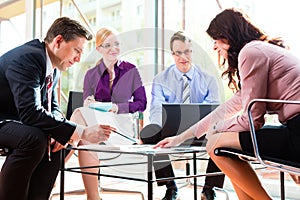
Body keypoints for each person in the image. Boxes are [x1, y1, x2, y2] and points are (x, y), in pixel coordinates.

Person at [155, 8, 300, 200]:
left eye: (216, 40)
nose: (214, 47)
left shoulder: (250, 52)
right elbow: (229, 108)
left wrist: (216, 129)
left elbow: (253, 121)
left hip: (297, 134)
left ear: (228, 35)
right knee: (223, 146)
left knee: (216, 143)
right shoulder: (259, 49)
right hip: (294, 129)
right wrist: (181, 137)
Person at [0, 17, 116, 200]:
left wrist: (64, 133)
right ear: (58, 41)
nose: (78, 59)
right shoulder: (28, 58)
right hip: (3, 120)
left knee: (59, 140)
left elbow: (53, 107)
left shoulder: (52, 68)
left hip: (17, 123)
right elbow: (30, 112)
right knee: (35, 138)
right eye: (76, 50)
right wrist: (82, 131)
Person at [140, 31, 223, 200]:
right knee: (149, 132)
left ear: (192, 52)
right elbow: (156, 110)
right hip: (170, 133)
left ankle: (209, 188)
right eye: (178, 52)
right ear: (172, 54)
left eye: (187, 51)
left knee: (223, 135)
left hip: (202, 133)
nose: (183, 57)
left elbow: (215, 113)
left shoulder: (208, 79)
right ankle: (170, 187)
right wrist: (159, 127)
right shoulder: (161, 79)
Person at [70, 27, 147, 200]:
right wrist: (91, 104)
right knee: (85, 134)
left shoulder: (131, 71)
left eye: (117, 44)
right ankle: (93, 196)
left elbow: (142, 104)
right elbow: (87, 103)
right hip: (97, 126)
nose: (114, 48)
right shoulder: (91, 74)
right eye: (107, 45)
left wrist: (115, 107)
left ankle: (59, 157)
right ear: (99, 49)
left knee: (79, 117)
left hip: (121, 127)